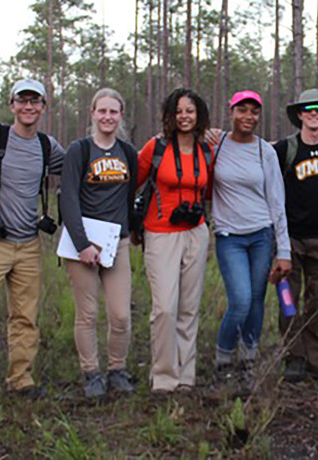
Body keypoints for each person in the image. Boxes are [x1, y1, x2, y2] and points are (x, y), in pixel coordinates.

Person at [0, 79, 66, 408]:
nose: (29, 107)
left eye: (35, 101)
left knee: (25, 316)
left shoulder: (50, 147)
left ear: (43, 108)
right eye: (23, 100)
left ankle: (20, 379)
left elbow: (83, 164)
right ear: (12, 104)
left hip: (29, 245)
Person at [59, 88, 138, 399]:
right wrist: (82, 243)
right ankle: (91, 372)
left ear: (120, 116)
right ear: (92, 113)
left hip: (116, 243)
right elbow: (68, 198)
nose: (107, 117)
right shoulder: (80, 150)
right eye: (102, 111)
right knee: (88, 314)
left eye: (113, 112)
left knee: (120, 314)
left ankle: (117, 369)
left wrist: (129, 231)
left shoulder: (127, 152)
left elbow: (130, 195)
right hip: (83, 245)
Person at [212, 90, 292, 395]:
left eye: (254, 112)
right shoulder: (216, 145)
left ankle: (248, 361)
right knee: (241, 300)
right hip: (229, 236)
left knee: (257, 300)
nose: (248, 117)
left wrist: (282, 250)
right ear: (230, 111)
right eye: (242, 110)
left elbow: (277, 202)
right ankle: (222, 361)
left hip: (261, 234)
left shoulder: (265, 152)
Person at [136, 88, 212, 395]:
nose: (184, 116)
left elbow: (211, 189)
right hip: (160, 232)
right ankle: (164, 375)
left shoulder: (206, 149)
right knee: (165, 307)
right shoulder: (155, 147)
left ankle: (186, 375)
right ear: (170, 115)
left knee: (189, 308)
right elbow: (133, 182)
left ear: (199, 115)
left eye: (190, 111)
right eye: (179, 111)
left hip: (196, 232)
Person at [272, 89, 318, 383]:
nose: (313, 113)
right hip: (288, 242)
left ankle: (316, 360)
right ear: (300, 114)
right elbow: (255, 157)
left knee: (317, 301)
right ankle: (294, 357)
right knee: (287, 299)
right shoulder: (285, 149)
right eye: (307, 109)